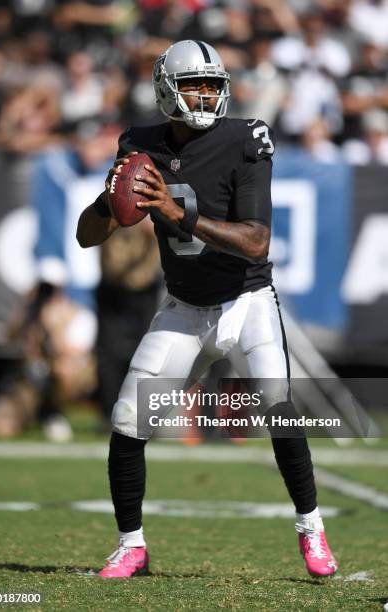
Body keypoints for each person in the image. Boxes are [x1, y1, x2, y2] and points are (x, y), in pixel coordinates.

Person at [77, 39, 338, 579]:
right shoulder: (139, 143)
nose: (204, 93)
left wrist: (175, 210)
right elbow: (89, 236)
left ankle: (311, 528)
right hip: (182, 306)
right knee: (127, 423)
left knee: (279, 411)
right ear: (166, 90)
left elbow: (257, 241)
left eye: (212, 84)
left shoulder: (247, 139)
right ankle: (132, 546)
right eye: (193, 83)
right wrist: (111, 201)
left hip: (246, 302)